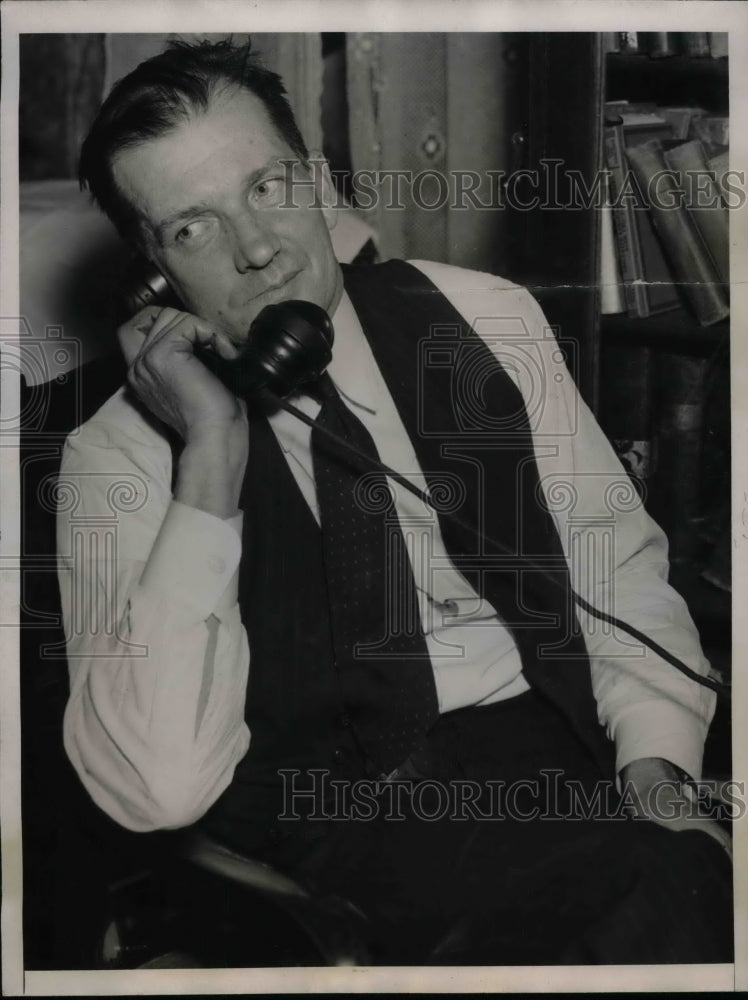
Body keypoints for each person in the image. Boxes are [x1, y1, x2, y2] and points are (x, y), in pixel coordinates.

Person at [59, 38, 732, 965]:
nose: (256, 247)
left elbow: (616, 572)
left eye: (268, 187)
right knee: (650, 900)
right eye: (193, 227)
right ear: (153, 276)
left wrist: (659, 773)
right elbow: (158, 790)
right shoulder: (116, 458)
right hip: (344, 829)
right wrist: (209, 457)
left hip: (570, 757)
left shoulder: (486, 319)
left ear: (320, 181)